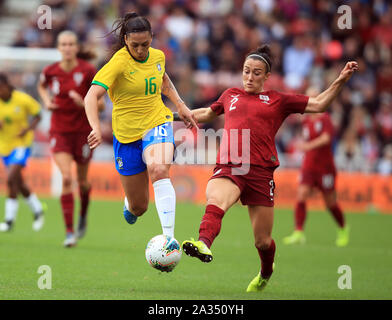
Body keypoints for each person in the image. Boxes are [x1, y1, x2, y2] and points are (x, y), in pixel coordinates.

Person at [181, 45, 358, 292]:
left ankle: (266, 271)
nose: (250, 77)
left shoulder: (278, 100)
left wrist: (341, 80)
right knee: (216, 201)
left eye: (256, 73)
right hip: (232, 165)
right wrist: (172, 115)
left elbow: (318, 104)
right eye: (246, 72)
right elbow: (203, 114)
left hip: (262, 173)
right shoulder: (230, 95)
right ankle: (203, 242)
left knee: (263, 241)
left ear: (266, 76)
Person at [84, 13, 197, 244]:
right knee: (139, 206)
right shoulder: (118, 62)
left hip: (157, 122)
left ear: (152, 38)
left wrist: (180, 105)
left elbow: (163, 80)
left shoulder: (158, 56)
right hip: (126, 135)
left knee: (158, 170)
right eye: (135, 45)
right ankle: (130, 205)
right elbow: (91, 95)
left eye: (145, 44)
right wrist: (95, 127)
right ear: (125, 40)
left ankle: (168, 239)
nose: (141, 50)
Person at [37, 30, 104, 247]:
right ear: (58, 47)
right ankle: (69, 232)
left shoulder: (87, 71)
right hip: (59, 132)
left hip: (83, 133)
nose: (67, 48)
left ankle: (83, 213)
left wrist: (83, 102)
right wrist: (46, 100)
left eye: (71, 44)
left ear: (76, 48)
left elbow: (101, 104)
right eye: (63, 44)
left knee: (83, 182)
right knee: (66, 178)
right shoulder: (50, 71)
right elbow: (41, 86)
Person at [283, 87, 349, 247]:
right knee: (301, 195)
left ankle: (343, 228)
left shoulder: (325, 119)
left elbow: (326, 139)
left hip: (325, 168)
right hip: (309, 166)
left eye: (313, 97)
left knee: (330, 203)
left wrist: (307, 146)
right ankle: (298, 232)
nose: (310, 100)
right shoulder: (306, 121)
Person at [0, 73, 44, 232]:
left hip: (21, 145)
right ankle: (38, 209)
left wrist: (28, 129)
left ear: (6, 85)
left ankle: (9, 221)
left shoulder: (22, 99)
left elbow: (39, 115)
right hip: (4, 147)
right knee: (18, 182)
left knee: (11, 178)